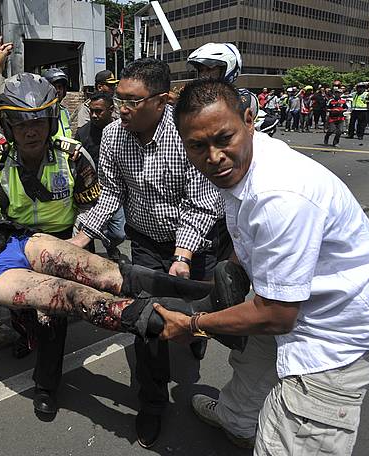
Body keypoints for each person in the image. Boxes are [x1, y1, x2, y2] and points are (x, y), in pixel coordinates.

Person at [0, 115, 248, 387]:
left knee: (104, 271)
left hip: (14, 239)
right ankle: (198, 324)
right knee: (69, 296)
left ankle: (210, 297)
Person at [158, 79, 369, 453]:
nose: (213, 157)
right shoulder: (246, 160)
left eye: (223, 139)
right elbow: (250, 238)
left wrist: (193, 324)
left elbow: (277, 315)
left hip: (343, 331)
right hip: (299, 302)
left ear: (250, 120)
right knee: (252, 360)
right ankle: (235, 419)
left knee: (292, 435)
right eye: (198, 146)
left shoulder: (280, 196)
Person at [69, 58, 227, 448]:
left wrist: (183, 255)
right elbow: (110, 194)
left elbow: (203, 203)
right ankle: (152, 404)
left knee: (195, 314)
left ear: (162, 100)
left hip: (192, 242)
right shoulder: (112, 136)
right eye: (117, 98)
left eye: (132, 101)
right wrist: (81, 237)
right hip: (143, 242)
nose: (121, 108)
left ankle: (195, 331)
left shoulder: (187, 133)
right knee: (147, 321)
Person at [0, 72, 100, 415]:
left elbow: (92, 207)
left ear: (50, 122)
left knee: (52, 316)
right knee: (18, 303)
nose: (30, 131)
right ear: (7, 126)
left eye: (37, 122)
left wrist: (77, 242)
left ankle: (46, 386)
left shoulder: (74, 156)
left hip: (68, 240)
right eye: (20, 124)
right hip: (19, 242)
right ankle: (24, 326)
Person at [74, 93, 126, 261]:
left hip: (114, 190)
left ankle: (109, 244)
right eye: (92, 111)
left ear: (111, 110)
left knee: (119, 233)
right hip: (89, 192)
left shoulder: (121, 131)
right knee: (85, 230)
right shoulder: (82, 133)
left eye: (99, 111)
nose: (94, 115)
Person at [41, 68, 72, 138]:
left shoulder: (64, 111)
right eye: (54, 87)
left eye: (60, 87)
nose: (57, 90)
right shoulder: (40, 113)